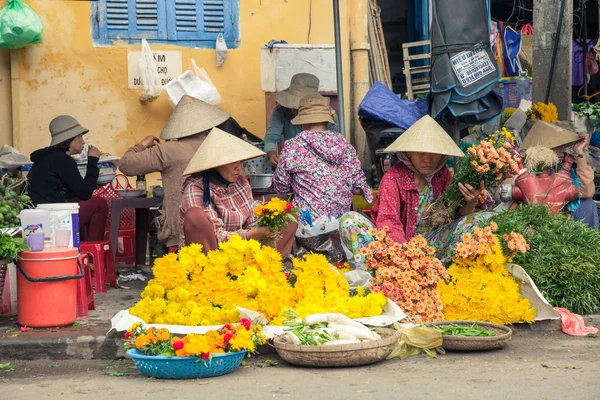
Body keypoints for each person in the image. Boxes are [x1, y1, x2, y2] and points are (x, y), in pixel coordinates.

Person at [340, 115, 486, 269]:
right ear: (408, 153)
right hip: (395, 247)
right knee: (349, 220)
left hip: (430, 245)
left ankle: (441, 270)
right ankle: (375, 276)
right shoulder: (393, 179)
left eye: (433, 153)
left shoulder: (443, 175)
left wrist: (470, 203)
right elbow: (388, 223)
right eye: (420, 153)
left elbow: (455, 217)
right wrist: (406, 258)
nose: (428, 159)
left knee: (476, 221)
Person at [118, 95, 256, 252]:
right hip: (228, 235)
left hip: (182, 237)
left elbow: (126, 165)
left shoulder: (169, 150)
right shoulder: (222, 147)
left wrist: (141, 145)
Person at [180, 128, 297, 255]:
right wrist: (250, 235)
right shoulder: (196, 188)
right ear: (215, 165)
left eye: (241, 161)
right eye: (233, 162)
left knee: (288, 216)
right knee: (195, 216)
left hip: (242, 251)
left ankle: (273, 266)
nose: (239, 167)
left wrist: (266, 225)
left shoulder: (241, 183)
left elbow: (251, 220)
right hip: (213, 256)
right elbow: (216, 236)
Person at [270, 93, 372, 218]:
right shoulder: (344, 145)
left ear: (303, 121)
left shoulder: (293, 146)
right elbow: (359, 187)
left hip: (307, 223)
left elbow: (281, 186)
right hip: (340, 221)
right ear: (326, 120)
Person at [28, 115, 108, 241]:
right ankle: (92, 250)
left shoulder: (46, 158)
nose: (83, 141)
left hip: (42, 214)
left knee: (79, 201)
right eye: (80, 136)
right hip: (52, 217)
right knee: (100, 204)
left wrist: (93, 184)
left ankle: (81, 246)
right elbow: (85, 193)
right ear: (69, 139)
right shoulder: (63, 160)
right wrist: (93, 160)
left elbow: (74, 191)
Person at [520, 120, 598, 228]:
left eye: (564, 146)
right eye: (558, 145)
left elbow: (587, 192)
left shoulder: (562, 168)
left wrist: (580, 153)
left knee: (587, 204)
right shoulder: (524, 170)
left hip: (563, 224)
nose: (563, 150)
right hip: (534, 224)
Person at [264, 73, 339, 168]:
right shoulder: (280, 111)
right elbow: (271, 137)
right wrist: (272, 153)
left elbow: (334, 144)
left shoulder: (327, 114)